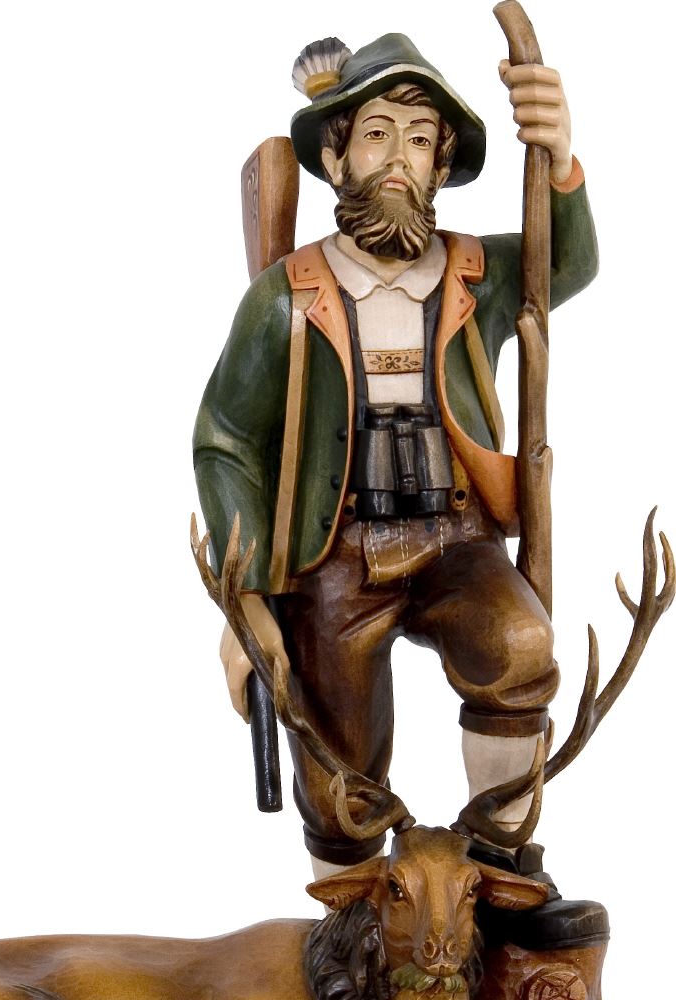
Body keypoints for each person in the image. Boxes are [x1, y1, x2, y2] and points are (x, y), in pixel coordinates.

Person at [193, 33, 597, 889]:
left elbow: (566, 262)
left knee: (519, 649)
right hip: (336, 551)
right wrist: (247, 599)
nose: (397, 160)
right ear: (333, 156)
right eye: (375, 134)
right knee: (335, 757)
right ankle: (347, 916)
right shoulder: (286, 295)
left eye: (418, 140)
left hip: (456, 538)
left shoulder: (475, 272)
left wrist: (559, 158)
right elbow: (228, 440)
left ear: (440, 164)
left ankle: (497, 865)